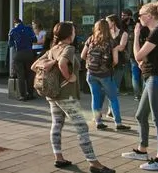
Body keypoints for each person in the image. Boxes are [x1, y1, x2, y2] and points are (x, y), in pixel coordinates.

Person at [40, 22, 116, 173]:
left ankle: (59, 158)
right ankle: (93, 163)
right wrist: (69, 77)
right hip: (66, 96)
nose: (75, 33)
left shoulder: (53, 49)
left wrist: (52, 62)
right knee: (82, 127)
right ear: (69, 35)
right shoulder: (68, 48)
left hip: (53, 94)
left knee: (57, 124)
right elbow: (63, 63)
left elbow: (35, 64)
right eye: (74, 31)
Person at [122, 0, 158, 171]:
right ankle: (142, 150)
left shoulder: (157, 32)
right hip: (151, 77)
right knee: (141, 115)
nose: (138, 18)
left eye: (140, 15)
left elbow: (138, 56)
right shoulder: (154, 32)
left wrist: (135, 36)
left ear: (149, 16)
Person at [82, 19, 130, 131]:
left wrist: (91, 63)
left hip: (91, 73)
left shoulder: (91, 39)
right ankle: (118, 123)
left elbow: (83, 55)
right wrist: (108, 66)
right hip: (105, 75)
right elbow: (116, 61)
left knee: (95, 97)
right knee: (113, 98)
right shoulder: (111, 42)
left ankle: (98, 121)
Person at [8, 18, 38, 100]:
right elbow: (35, 40)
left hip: (19, 54)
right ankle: (31, 94)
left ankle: (22, 95)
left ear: (15, 23)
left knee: (20, 75)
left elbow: (10, 44)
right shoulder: (29, 29)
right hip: (29, 53)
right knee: (30, 74)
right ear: (21, 22)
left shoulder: (13, 30)